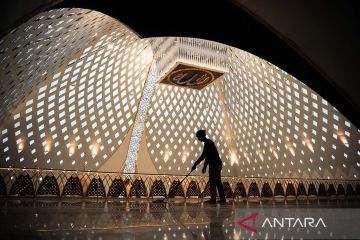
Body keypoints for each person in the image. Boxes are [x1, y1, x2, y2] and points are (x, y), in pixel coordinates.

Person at [192, 129, 226, 204]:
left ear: (202, 136)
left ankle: (214, 199)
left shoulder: (208, 143)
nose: (198, 139)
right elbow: (207, 156)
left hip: (215, 164)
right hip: (215, 164)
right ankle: (220, 199)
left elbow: (204, 156)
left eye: (198, 137)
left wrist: (195, 164)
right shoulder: (208, 143)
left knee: (215, 182)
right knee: (216, 181)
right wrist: (204, 166)